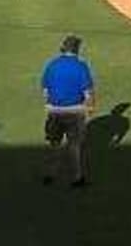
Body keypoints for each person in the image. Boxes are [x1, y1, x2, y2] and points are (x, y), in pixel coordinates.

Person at [40, 35, 95, 188]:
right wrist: (90, 110)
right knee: (74, 146)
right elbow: (88, 93)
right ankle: (77, 178)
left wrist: (50, 106)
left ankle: (50, 174)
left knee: (54, 144)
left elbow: (45, 90)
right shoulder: (81, 66)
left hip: (54, 110)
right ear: (77, 49)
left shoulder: (52, 64)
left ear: (63, 48)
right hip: (75, 111)